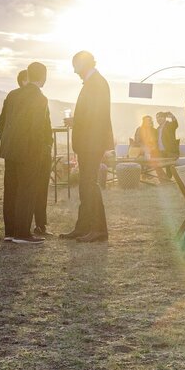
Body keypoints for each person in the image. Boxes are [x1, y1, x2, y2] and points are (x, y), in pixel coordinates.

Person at [64, 51, 114, 243]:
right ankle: (83, 227)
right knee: (85, 185)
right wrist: (76, 121)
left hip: (92, 142)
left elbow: (96, 116)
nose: (74, 70)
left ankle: (99, 230)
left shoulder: (97, 83)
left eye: (75, 65)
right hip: (88, 142)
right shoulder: (93, 82)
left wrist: (76, 122)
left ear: (83, 64)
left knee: (90, 184)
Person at [0, 61, 51, 243]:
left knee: (11, 189)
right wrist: (40, 150)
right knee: (27, 190)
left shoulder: (12, 95)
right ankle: (22, 233)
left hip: (10, 148)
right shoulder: (40, 98)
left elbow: (1, 124)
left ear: (28, 75)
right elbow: (37, 128)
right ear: (43, 77)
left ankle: (10, 232)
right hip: (29, 149)